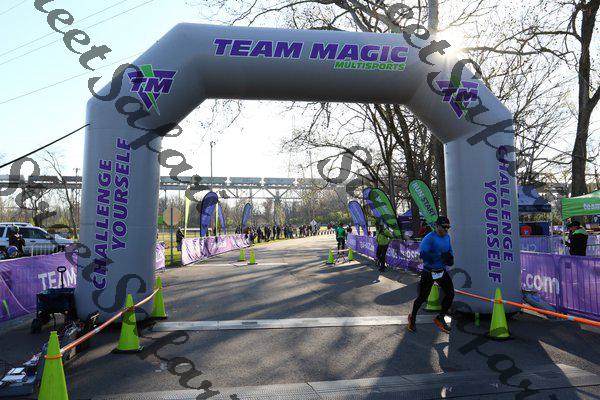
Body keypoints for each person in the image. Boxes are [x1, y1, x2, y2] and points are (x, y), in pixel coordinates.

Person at [408, 216, 455, 334]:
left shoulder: (447, 237)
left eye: (448, 227)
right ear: (437, 226)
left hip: (441, 271)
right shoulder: (429, 238)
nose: (446, 229)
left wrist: (450, 258)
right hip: (429, 272)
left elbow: (450, 251)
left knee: (450, 294)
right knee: (422, 297)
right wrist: (439, 255)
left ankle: (440, 317)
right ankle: (412, 319)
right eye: (444, 227)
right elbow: (423, 255)